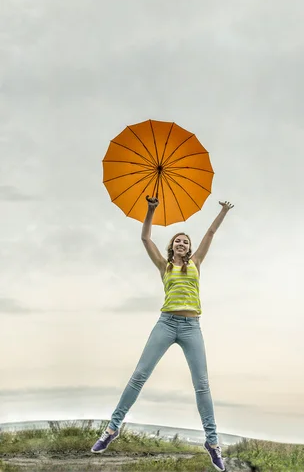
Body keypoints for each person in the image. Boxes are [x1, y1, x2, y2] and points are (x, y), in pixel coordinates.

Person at [91, 196, 234, 472]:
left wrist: (223, 211)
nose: (182, 244)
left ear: (190, 248)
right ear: (172, 247)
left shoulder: (196, 262)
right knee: (139, 375)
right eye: (178, 241)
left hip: (192, 327)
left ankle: (213, 444)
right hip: (166, 324)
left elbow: (211, 232)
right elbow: (145, 238)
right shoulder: (163, 266)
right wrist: (151, 210)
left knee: (202, 385)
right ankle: (111, 429)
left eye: (185, 241)